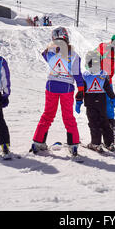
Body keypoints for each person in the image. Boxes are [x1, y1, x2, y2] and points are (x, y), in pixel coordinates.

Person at [31, 27, 84, 156]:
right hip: (66, 88)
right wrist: (81, 90)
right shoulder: (74, 55)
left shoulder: (49, 52)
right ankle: (73, 144)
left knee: (48, 114)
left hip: (51, 86)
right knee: (68, 116)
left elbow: (43, 54)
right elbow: (77, 75)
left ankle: (38, 142)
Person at [76, 51, 115, 152]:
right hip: (102, 102)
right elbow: (108, 89)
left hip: (90, 103)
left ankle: (96, 143)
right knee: (104, 121)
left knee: (94, 123)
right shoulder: (103, 74)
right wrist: (113, 98)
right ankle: (109, 143)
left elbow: (81, 91)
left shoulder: (85, 75)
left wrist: (78, 102)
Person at [95, 32, 115, 131]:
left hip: (108, 79)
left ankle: (110, 120)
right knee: (97, 100)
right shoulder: (104, 47)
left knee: (109, 100)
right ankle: (97, 121)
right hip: (98, 79)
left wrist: (110, 75)